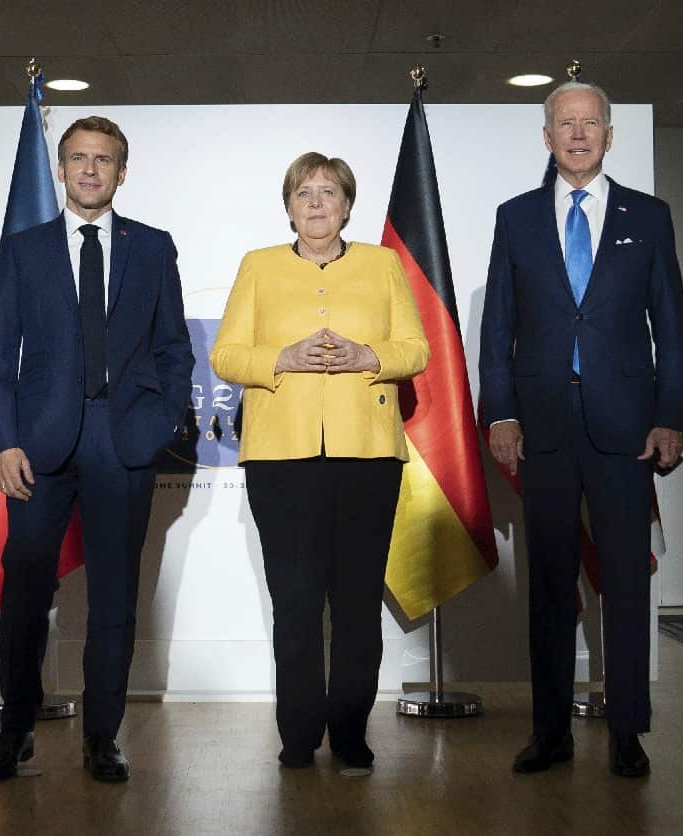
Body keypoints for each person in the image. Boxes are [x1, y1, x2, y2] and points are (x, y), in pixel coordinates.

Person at [479, 82, 683, 778]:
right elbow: (498, 327)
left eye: (589, 123)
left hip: (627, 427)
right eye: (563, 123)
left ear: (609, 134)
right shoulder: (515, 219)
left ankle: (628, 733)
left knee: (626, 582)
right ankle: (549, 732)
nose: (577, 134)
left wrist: (671, 415)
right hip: (540, 426)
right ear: (546, 137)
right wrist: (500, 411)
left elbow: (673, 326)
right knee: (547, 583)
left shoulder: (648, 217)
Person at [0, 116, 194, 784]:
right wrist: (3, 441)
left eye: (104, 160)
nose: (90, 170)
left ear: (121, 172)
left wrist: (154, 424)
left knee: (114, 597)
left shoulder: (152, 248)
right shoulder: (25, 248)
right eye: (78, 158)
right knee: (24, 590)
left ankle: (103, 737)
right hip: (37, 446)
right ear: (62, 170)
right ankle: (15, 729)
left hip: (122, 440)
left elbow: (174, 349)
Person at [210, 153, 429, 771]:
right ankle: (299, 734)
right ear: (288, 206)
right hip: (283, 459)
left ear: (347, 205)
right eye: (303, 193)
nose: (315, 203)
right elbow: (226, 355)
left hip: (367, 457)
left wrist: (368, 355)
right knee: (297, 601)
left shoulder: (383, 265)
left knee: (357, 602)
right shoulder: (259, 266)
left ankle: (352, 732)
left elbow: (417, 348)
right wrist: (284, 357)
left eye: (328, 192)